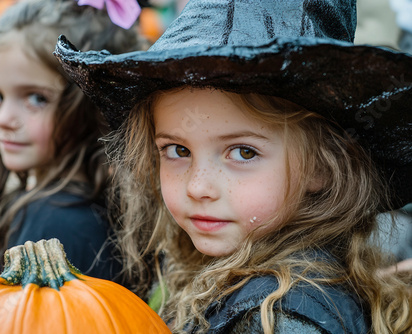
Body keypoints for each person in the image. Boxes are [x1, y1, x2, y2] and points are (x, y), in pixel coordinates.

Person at [55, 0, 412, 332]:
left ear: (323, 166)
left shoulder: (279, 316)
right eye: (178, 150)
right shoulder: (240, 274)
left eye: (243, 153)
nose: (198, 187)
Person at [0, 0, 147, 283]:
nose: (3, 119)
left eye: (36, 98)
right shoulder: (94, 205)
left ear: (94, 105)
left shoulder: (55, 224)